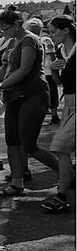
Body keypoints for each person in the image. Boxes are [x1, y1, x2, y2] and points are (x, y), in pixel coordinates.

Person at [0, 6, 59, 196]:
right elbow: (5, 68)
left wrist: (2, 85)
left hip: (32, 94)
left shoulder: (29, 39)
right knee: (12, 141)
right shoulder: (14, 41)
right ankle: (17, 183)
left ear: (15, 25)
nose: (3, 33)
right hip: (14, 96)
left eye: (5, 29)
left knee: (28, 143)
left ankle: (64, 172)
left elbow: (24, 69)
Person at [42, 15, 76, 212]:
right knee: (62, 148)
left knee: (60, 147)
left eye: (53, 31)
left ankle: (62, 195)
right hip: (69, 103)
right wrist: (54, 69)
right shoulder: (64, 51)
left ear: (66, 31)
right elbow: (60, 83)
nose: (51, 35)